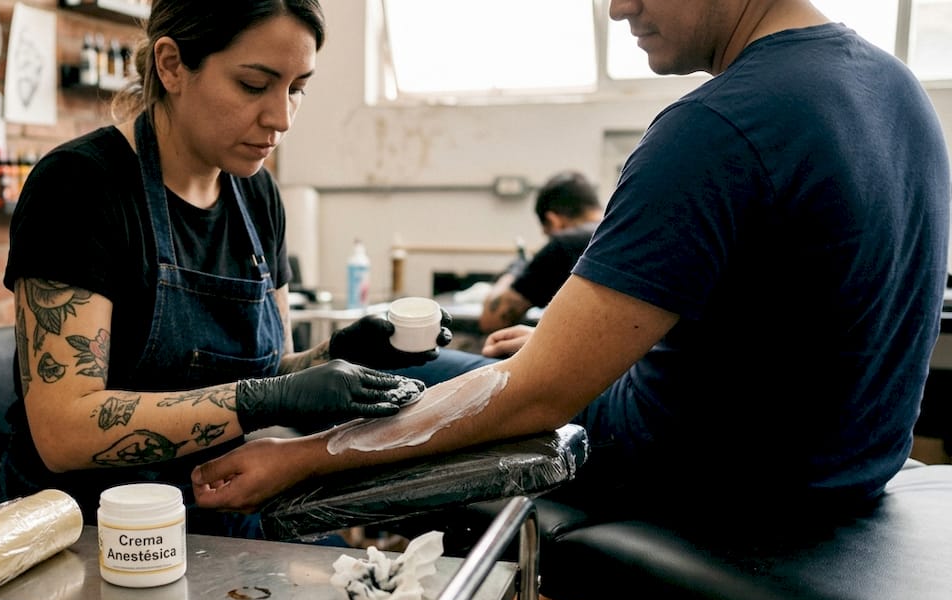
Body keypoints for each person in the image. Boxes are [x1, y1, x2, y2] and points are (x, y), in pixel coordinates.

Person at [191, 0, 951, 526]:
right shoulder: (896, 88)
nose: (618, 9)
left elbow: (535, 401)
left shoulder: (715, 127)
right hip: (847, 477)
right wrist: (580, 358)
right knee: (490, 362)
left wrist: (304, 456)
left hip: (706, 492)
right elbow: (778, 334)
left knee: (378, 377)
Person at [0, 0, 453, 533]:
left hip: (221, 512)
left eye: (297, 88)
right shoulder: (79, 188)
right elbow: (63, 432)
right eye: (253, 85)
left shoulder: (257, 194)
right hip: (90, 530)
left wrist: (338, 356)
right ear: (171, 66)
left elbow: (268, 376)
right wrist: (270, 396)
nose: (280, 118)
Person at [478, 171, 604, 335]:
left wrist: (515, 270)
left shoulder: (564, 244)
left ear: (554, 220)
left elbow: (491, 320)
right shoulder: (622, 234)